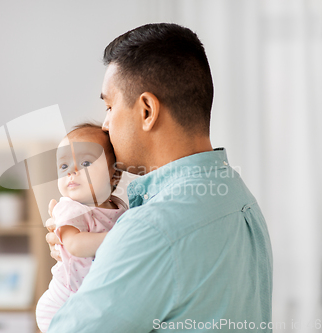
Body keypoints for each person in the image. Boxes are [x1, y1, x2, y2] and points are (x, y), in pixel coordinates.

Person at [45, 23, 273, 332]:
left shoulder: (150, 229)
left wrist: (109, 254)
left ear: (147, 110)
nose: (106, 125)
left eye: (110, 106)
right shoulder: (237, 194)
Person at [35, 123, 128, 332]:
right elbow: (74, 244)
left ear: (115, 175)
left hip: (92, 299)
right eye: (64, 166)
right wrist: (123, 237)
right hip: (63, 301)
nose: (72, 172)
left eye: (86, 162)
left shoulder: (119, 207)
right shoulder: (70, 208)